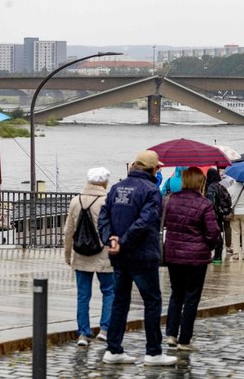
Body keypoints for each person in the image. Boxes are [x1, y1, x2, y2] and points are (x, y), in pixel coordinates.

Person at [98, 150, 177, 366]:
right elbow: (145, 221)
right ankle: (153, 352)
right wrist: (123, 241)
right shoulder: (152, 191)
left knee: (120, 302)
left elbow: (103, 216)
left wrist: (111, 240)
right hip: (142, 256)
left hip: (119, 256)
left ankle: (113, 348)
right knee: (152, 302)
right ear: (154, 169)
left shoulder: (116, 187)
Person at [163, 167, 222, 350]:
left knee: (176, 294)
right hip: (196, 257)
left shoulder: (170, 200)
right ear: (200, 183)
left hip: (173, 255)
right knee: (191, 297)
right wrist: (210, 246)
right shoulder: (204, 204)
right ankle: (184, 339)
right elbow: (213, 232)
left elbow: (163, 222)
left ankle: (171, 333)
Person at [63, 167, 114, 347]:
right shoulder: (108, 201)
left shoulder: (75, 201)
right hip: (103, 254)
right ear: (104, 182)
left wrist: (68, 254)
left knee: (83, 295)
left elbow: (69, 230)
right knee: (109, 291)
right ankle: (105, 329)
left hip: (81, 253)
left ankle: (83, 334)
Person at [205, 168, 230, 264]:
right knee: (219, 233)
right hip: (220, 213)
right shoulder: (221, 186)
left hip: (213, 214)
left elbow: (210, 202)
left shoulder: (211, 187)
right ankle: (218, 255)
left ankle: (217, 256)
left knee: (215, 234)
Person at [227, 180, 244, 260]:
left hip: (234, 213)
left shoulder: (230, 189)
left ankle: (236, 253)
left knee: (235, 233)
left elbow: (228, 201)